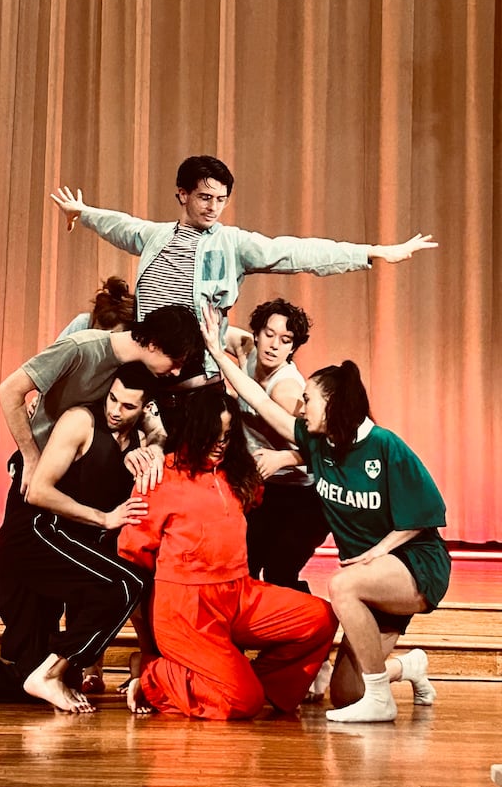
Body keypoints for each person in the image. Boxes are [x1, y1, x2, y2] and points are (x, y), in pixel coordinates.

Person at [200, 307, 451, 724]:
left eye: (308, 399)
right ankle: (409, 669)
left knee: (341, 585)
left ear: (331, 404)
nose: (300, 406)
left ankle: (380, 702)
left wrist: (376, 555)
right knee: (345, 693)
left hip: (415, 566)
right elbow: (258, 399)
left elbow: (424, 515)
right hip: (369, 575)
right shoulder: (319, 444)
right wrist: (214, 348)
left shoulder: (385, 445)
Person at [0, 305, 203, 667]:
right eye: (175, 360)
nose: (176, 370)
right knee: (13, 557)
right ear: (153, 344)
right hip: (40, 473)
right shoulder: (81, 349)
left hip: (76, 480)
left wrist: (151, 447)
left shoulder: (133, 373)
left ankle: (46, 662)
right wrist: (29, 456)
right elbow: (10, 390)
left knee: (37, 605)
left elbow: (151, 421)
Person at [50, 154, 438, 386]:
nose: (213, 207)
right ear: (182, 194)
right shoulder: (155, 235)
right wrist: (81, 214)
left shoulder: (232, 243)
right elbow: (117, 223)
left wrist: (372, 253)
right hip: (142, 363)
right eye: (204, 197)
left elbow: (295, 252)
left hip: (193, 373)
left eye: (221, 199)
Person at [0, 364, 156, 713]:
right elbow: (39, 493)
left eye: (128, 406)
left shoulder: (141, 440)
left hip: (66, 562)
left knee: (35, 678)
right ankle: (35, 665)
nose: (115, 410)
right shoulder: (82, 421)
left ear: (145, 407)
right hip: (42, 552)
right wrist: (104, 518)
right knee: (126, 585)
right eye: (112, 399)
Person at [117, 386, 338, 720]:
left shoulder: (235, 472)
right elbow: (134, 553)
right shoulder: (160, 477)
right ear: (194, 430)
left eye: (228, 435)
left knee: (320, 618)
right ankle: (153, 678)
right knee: (243, 703)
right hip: (186, 611)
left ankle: (250, 683)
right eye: (213, 435)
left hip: (239, 594)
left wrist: (290, 457)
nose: (221, 444)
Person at [225, 299, 329, 591]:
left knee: (278, 574)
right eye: (269, 334)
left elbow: (327, 448)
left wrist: (286, 457)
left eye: (285, 340)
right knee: (242, 567)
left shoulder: (288, 391)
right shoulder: (246, 350)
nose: (274, 345)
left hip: (302, 496)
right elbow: (213, 331)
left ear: (293, 347)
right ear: (256, 333)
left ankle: (306, 630)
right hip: (262, 490)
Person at [56, 275, 134, 337]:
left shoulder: (131, 334)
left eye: (111, 336)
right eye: (99, 332)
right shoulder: (83, 323)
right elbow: (55, 355)